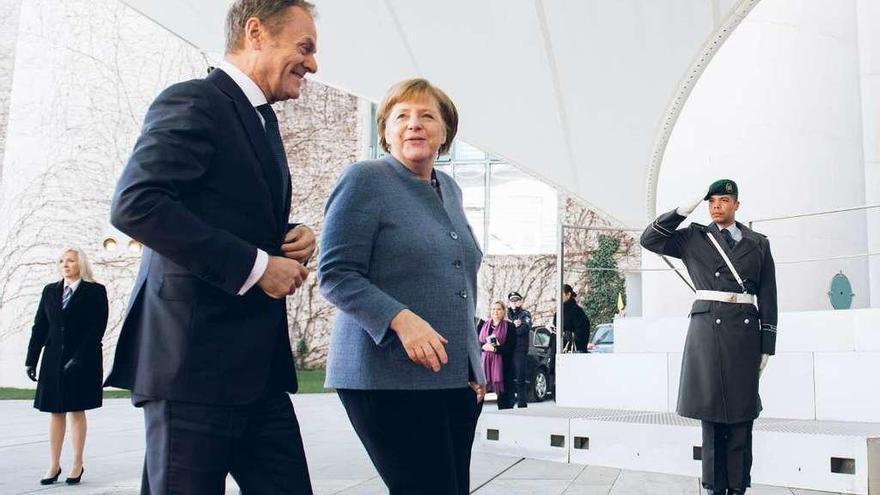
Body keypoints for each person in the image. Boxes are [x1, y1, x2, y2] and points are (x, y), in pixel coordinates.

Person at [104, 1, 319, 493]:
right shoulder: (195, 100)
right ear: (256, 33)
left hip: (256, 375)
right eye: (304, 48)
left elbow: (224, 210)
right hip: (192, 370)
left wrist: (291, 236)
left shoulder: (262, 121)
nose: (312, 64)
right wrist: (258, 266)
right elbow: (137, 204)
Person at [319, 78, 485, 495]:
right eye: (402, 116)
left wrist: (470, 363)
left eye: (427, 116)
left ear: (445, 132)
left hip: (451, 381)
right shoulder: (364, 179)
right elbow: (336, 274)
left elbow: (460, 277)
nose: (415, 125)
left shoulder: (449, 188)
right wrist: (400, 319)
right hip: (383, 376)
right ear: (386, 132)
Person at [640, 179, 777, 495]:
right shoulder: (692, 238)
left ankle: (739, 488)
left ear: (736, 205)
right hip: (707, 333)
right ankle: (715, 488)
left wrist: (767, 343)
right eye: (711, 200)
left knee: (742, 418)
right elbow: (649, 239)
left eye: (724, 200)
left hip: (744, 334)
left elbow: (769, 295)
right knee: (712, 419)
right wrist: (681, 210)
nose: (717, 205)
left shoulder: (758, 242)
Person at [25, 247, 108, 486]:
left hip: (81, 360)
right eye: (62, 261)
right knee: (55, 412)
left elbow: (96, 330)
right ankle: (53, 464)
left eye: (70, 260)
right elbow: (39, 326)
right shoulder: (50, 291)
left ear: (80, 263)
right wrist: (31, 359)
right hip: (53, 360)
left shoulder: (95, 291)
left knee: (76, 410)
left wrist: (79, 358)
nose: (65, 264)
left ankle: (77, 463)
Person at [480, 301, 517, 410]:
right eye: (493, 309)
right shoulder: (483, 325)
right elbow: (477, 343)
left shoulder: (509, 326)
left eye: (499, 309)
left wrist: (495, 348)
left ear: (503, 311)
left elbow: (510, 347)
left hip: (503, 366)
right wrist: (483, 347)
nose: (495, 312)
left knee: (505, 399)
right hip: (485, 365)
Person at [506, 291, 532, 407]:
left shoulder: (524, 314)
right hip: (508, 350)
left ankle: (522, 404)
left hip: (519, 350)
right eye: (512, 301)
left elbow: (523, 330)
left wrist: (509, 329)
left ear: (521, 301)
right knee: (509, 378)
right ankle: (509, 404)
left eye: (517, 300)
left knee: (520, 379)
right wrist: (513, 325)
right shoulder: (507, 315)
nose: (514, 302)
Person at [555, 284, 591, 353]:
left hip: (569, 354)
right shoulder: (561, 311)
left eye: (560, 294)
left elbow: (582, 333)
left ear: (568, 294)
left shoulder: (576, 312)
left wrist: (568, 335)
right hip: (561, 352)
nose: (557, 297)